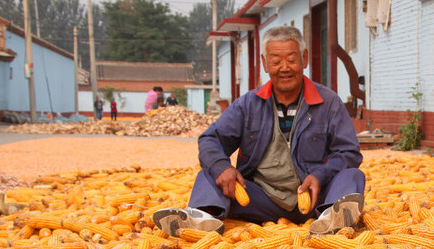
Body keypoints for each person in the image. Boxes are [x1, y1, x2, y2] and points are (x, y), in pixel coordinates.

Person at [153, 25, 364, 237]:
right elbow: (211, 139)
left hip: (315, 196)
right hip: (261, 198)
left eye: (291, 60)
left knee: (352, 175)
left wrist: (320, 174)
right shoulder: (248, 104)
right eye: (275, 61)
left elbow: (349, 151)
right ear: (264, 63)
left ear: (304, 59)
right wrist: (222, 167)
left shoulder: (328, 102)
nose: (284, 68)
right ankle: (202, 216)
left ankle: (332, 217)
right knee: (210, 171)